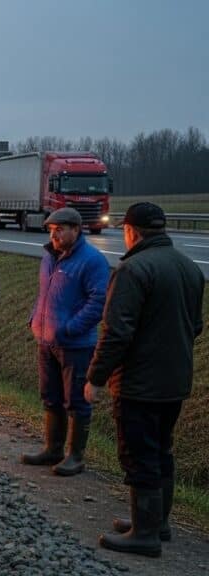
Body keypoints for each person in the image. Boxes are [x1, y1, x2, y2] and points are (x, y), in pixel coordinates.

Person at [85, 202, 204, 558]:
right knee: (161, 451)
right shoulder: (190, 267)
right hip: (175, 380)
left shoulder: (133, 269)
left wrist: (96, 376)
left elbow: (116, 332)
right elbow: (195, 326)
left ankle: (145, 535)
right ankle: (156, 523)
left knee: (139, 455)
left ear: (131, 231)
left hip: (140, 383)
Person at [21, 208, 109, 476]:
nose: (54, 234)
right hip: (46, 341)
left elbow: (98, 302)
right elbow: (44, 292)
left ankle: (75, 456)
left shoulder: (92, 260)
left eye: (59, 229)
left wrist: (70, 329)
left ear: (76, 229)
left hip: (76, 345)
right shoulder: (49, 256)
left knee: (76, 401)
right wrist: (35, 318)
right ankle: (53, 448)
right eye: (51, 230)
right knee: (51, 396)